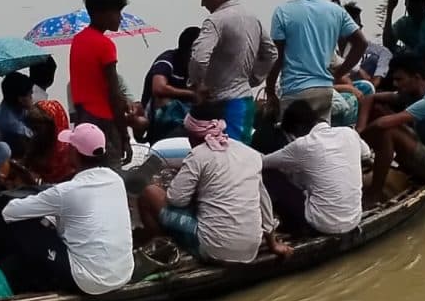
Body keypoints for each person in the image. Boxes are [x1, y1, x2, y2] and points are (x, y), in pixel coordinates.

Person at [0, 124, 136, 295]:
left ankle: (22, 275)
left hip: (89, 282)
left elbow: (9, 212)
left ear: (75, 153)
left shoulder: (68, 191)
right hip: (124, 273)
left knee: (22, 224)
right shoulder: (116, 180)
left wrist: (42, 206)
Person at [142, 102, 287, 264]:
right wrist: (273, 243)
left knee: (149, 193)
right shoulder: (249, 153)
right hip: (249, 250)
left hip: (214, 249)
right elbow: (264, 201)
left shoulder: (198, 155)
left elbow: (177, 200)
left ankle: (163, 248)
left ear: (192, 135)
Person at [269, 0, 368, 123]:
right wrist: (340, 72)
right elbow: (361, 43)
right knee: (321, 143)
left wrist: (270, 88)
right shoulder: (336, 11)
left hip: (295, 91)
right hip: (324, 90)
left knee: (294, 144)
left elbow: (279, 57)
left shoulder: (283, 12)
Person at [187, 0, 276, 143]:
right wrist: (253, 79)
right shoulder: (252, 18)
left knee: (215, 157)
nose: (203, 4)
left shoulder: (216, 20)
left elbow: (199, 57)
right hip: (243, 100)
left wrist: (198, 84)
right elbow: (271, 53)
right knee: (238, 157)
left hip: (219, 103)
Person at [261, 98, 371, 236]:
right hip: (353, 218)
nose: (293, 138)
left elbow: (263, 162)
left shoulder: (302, 145)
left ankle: (290, 226)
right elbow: (366, 154)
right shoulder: (349, 133)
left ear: (299, 128)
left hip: (322, 224)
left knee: (270, 175)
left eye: (293, 135)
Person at [358, 58, 425, 197]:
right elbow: (370, 98)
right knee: (378, 109)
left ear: (416, 78)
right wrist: (359, 130)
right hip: (424, 147)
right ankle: (375, 157)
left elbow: (381, 124)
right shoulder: (411, 95)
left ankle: (374, 194)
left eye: (400, 79)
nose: (395, 84)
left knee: (388, 130)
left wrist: (356, 139)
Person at [68, 0, 143, 162]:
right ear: (101, 14)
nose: (120, 17)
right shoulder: (105, 45)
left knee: (88, 171)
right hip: (104, 121)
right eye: (117, 12)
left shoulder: (78, 41)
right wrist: (124, 136)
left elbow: (92, 84)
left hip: (84, 120)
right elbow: (114, 93)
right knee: (111, 172)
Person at [142, 26, 202, 142]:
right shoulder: (168, 59)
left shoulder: (199, 66)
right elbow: (158, 88)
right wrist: (192, 94)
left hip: (186, 113)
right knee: (163, 99)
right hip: (159, 117)